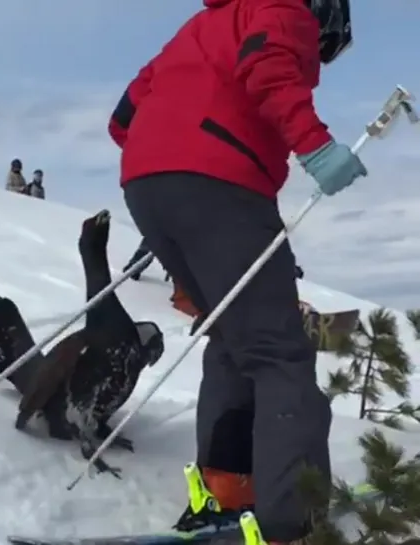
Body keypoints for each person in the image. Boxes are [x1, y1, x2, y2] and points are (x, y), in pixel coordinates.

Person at [107, 1, 365, 544]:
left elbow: (122, 118)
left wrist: (173, 141)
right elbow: (268, 65)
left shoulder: (201, 26)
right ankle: (290, 520)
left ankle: (230, 490)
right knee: (279, 352)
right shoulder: (281, 6)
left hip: (146, 184)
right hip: (221, 182)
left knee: (231, 338)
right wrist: (316, 148)